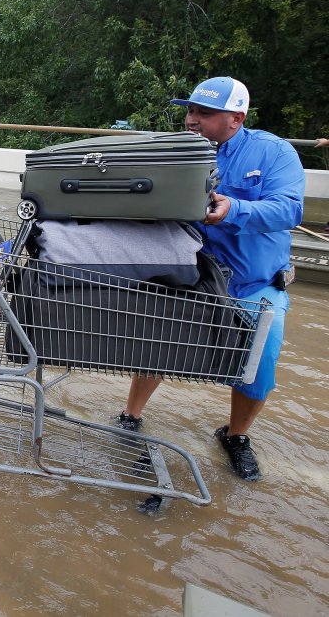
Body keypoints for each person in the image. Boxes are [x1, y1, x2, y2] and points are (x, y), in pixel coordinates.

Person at [116, 77, 305, 481]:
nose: (192, 120)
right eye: (190, 110)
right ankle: (130, 416)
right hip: (193, 273)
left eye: (204, 113)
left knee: (261, 364)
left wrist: (234, 208)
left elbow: (289, 210)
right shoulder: (179, 151)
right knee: (157, 343)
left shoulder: (273, 153)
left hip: (254, 283)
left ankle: (235, 436)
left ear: (236, 118)